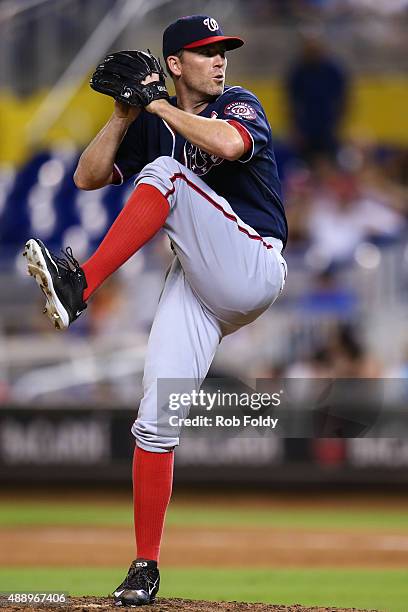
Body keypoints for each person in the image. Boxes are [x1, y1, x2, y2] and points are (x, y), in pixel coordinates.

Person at [24, 15, 288, 607]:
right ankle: (146, 566)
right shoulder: (151, 121)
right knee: (153, 421)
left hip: (252, 263)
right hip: (199, 283)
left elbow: (224, 144)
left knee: (166, 173)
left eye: (223, 51)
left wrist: (159, 109)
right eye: (205, 52)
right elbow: (87, 176)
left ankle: (81, 284)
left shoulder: (239, 104)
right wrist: (124, 114)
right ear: (174, 64)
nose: (220, 60)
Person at [285, 29, 349, 162]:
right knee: (306, 163)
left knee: (329, 162)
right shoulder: (298, 71)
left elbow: (343, 99)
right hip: (305, 128)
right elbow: (291, 102)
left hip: (328, 125)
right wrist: (295, 128)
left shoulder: (333, 70)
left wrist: (339, 125)